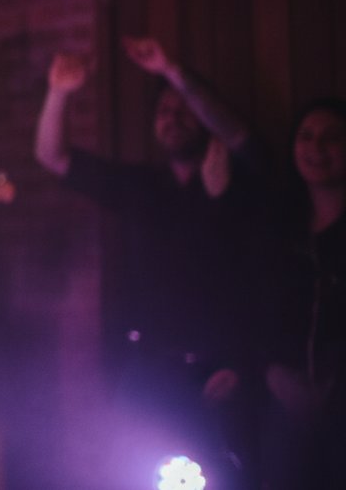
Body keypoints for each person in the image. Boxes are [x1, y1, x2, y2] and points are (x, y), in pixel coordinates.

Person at [34, 37, 265, 485]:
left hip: (217, 372)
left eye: (183, 111)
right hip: (147, 370)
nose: (172, 119)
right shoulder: (142, 186)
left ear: (203, 119)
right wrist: (59, 91)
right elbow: (51, 155)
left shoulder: (240, 180)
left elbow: (243, 139)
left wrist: (173, 70)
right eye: (163, 112)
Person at [257, 97, 346, 488]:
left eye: (331, 138)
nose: (316, 149)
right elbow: (257, 307)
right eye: (306, 137)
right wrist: (272, 371)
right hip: (286, 402)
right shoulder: (283, 226)